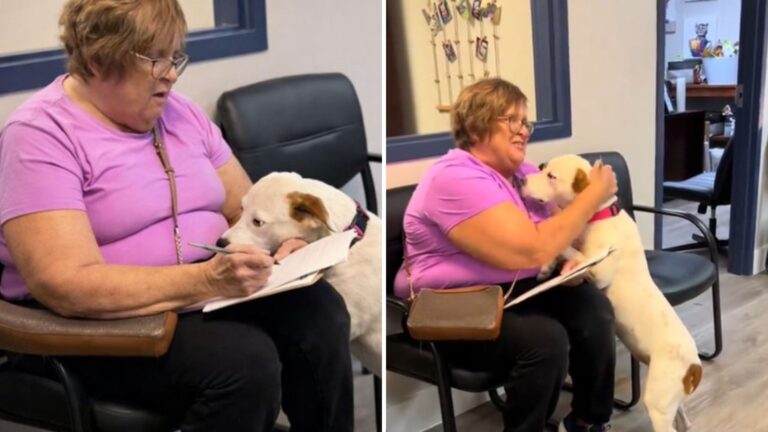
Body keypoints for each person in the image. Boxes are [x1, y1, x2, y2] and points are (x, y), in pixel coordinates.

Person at [0, 1, 353, 431]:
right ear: (97, 60)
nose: (170, 73)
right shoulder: (40, 135)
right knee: (244, 363)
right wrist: (205, 281)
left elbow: (245, 207)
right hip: (95, 320)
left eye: (175, 57)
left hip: (198, 291)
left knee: (321, 315)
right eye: (154, 59)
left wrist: (282, 246)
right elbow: (64, 283)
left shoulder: (181, 114)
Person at [394, 78, 618, 432]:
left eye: (525, 122)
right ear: (476, 124)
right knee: (545, 341)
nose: (523, 131)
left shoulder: (525, 174)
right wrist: (593, 195)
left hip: (514, 290)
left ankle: (588, 421)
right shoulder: (453, 178)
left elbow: (553, 236)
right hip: (453, 308)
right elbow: (530, 248)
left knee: (595, 311)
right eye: (510, 120)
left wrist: (568, 260)